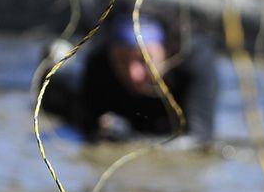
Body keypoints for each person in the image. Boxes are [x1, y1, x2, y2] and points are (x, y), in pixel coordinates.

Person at [40, 14, 219, 145]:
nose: (134, 73)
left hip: (162, 120)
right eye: (122, 60)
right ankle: (55, 65)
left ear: (166, 51)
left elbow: (199, 139)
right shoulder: (100, 60)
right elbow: (87, 124)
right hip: (119, 108)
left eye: (145, 60)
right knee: (56, 98)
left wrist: (134, 140)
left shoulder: (194, 61)